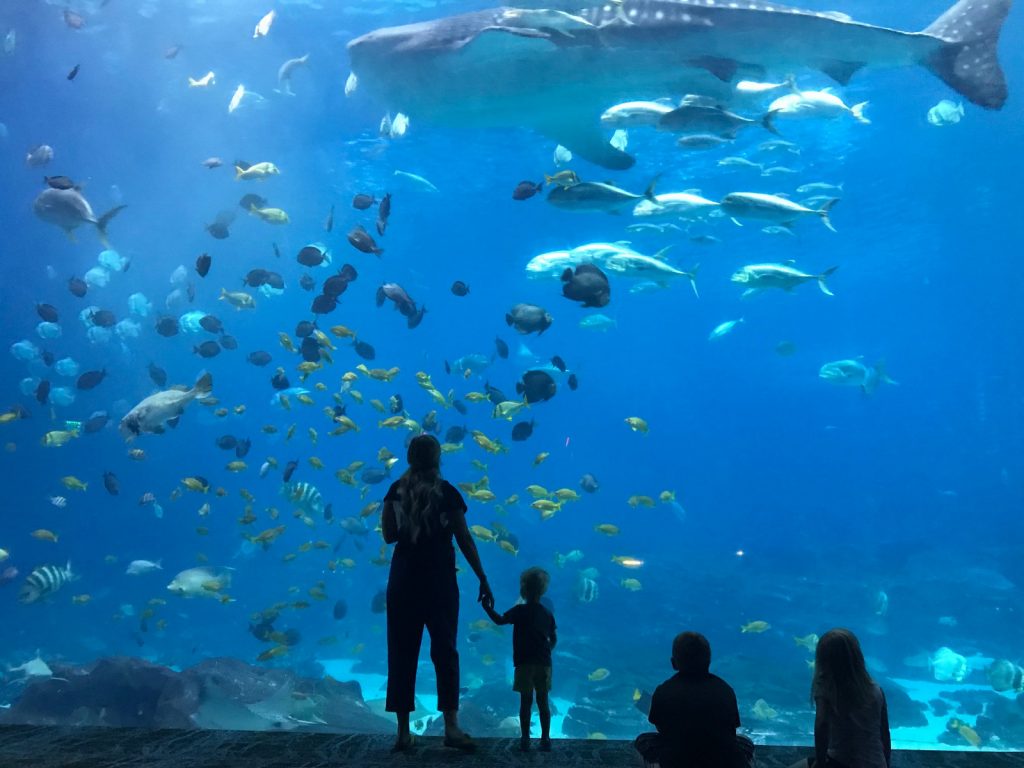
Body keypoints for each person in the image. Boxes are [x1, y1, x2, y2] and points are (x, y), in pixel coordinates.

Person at [381, 434, 493, 752]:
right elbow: (464, 538)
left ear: (409, 458)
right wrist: (482, 577)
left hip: (403, 582)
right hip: (439, 582)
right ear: (438, 458)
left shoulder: (395, 491)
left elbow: (389, 535)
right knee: (446, 652)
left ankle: (403, 731)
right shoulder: (447, 493)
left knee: (401, 654)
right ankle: (452, 727)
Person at [635, 631, 749, 768]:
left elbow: (660, 727)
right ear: (709, 661)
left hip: (677, 761)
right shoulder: (725, 690)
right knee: (745, 741)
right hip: (722, 761)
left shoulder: (664, 691)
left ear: (673, 663)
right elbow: (732, 728)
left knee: (642, 741)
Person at [482, 566, 557, 752]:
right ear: (543, 590)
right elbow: (553, 638)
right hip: (543, 663)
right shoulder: (547, 613)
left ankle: (525, 738)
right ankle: (545, 738)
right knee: (543, 702)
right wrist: (547, 651)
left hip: (524, 663)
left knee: (525, 702)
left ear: (523, 589)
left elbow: (499, 621)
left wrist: (487, 608)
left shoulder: (518, 610)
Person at [804, 628, 891, 768]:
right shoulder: (876, 689)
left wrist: (820, 763)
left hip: (842, 762)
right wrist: (887, 763)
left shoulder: (826, 690)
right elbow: (884, 733)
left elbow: (821, 727)